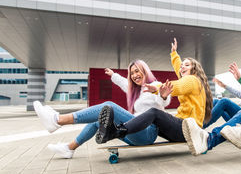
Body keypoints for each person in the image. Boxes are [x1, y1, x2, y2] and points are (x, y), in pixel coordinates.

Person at [34, 60, 170, 158]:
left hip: (146, 133)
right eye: (132, 73)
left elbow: (163, 101)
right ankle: (69, 148)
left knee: (108, 107)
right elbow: (124, 82)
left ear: (144, 70)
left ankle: (57, 120)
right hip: (132, 132)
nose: (135, 75)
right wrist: (113, 75)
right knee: (100, 120)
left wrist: (162, 96)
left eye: (137, 71)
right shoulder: (135, 90)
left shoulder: (156, 84)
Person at [94, 38, 213, 144]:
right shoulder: (189, 78)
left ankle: (119, 131)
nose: (182, 67)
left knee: (155, 112)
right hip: (183, 129)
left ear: (195, 69)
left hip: (188, 129)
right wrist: (174, 55)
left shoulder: (192, 80)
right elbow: (178, 68)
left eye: (186, 65)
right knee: (151, 119)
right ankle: (125, 131)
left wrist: (156, 88)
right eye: (182, 65)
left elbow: (176, 86)